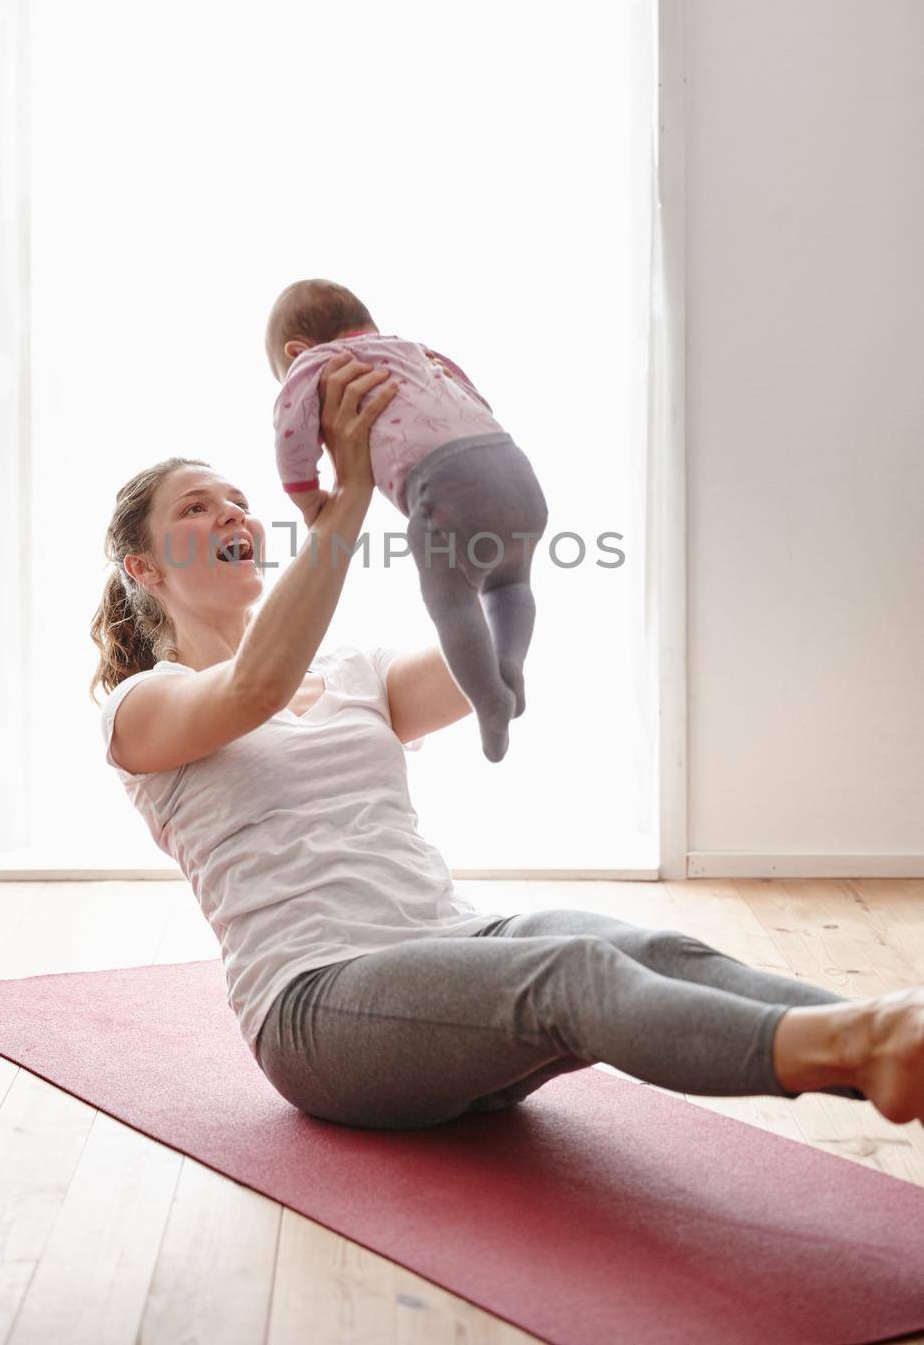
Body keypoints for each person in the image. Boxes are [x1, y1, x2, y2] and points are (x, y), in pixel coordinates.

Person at [90, 350, 924, 1132]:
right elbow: (251, 688)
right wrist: (340, 501)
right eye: (195, 508)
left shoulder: (354, 669)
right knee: (574, 975)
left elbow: (488, 658)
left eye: (235, 498)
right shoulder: (141, 708)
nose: (230, 512)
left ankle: (894, 1046)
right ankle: (862, 1049)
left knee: (640, 945)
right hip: (318, 1008)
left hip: (454, 949)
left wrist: (476, 491)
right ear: (145, 570)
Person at [264, 277, 549, 762]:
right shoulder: (415, 350)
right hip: (515, 469)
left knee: (452, 602)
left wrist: (309, 499)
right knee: (509, 586)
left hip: (450, 485)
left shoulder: (315, 363)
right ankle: (510, 659)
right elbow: (470, 390)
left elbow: (291, 429)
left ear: (296, 351)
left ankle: (490, 701)